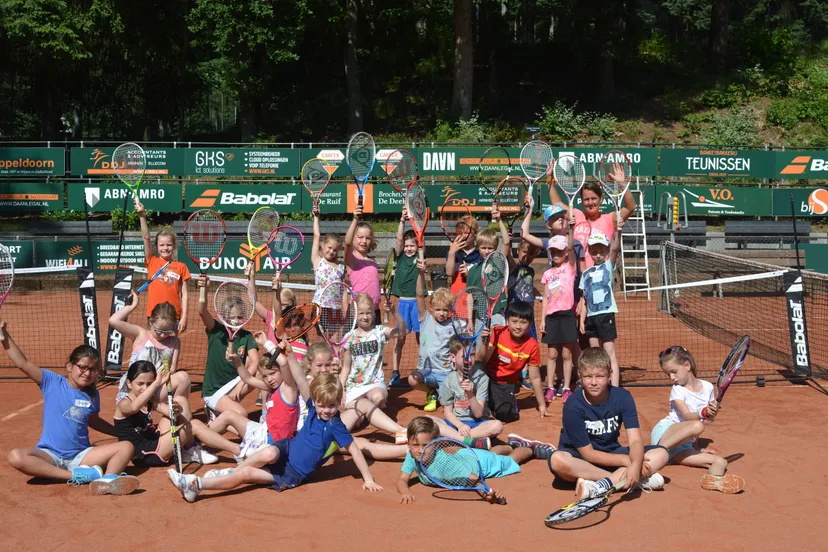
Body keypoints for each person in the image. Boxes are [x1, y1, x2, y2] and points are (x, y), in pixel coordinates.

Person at [167, 373, 384, 502]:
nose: (326, 410)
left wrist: (369, 479)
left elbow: (354, 449)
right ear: (314, 401)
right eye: (322, 405)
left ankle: (198, 484)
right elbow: (299, 377)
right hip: (286, 448)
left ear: (339, 403)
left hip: (292, 473)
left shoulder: (336, 426)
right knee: (268, 452)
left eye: (332, 405)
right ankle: (230, 472)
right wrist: (287, 354)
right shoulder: (312, 405)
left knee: (248, 475)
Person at [2, 323, 139, 495]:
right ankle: (74, 476)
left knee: (126, 446)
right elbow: (23, 362)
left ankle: (106, 481)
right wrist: (4, 336)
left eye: (92, 369)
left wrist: (118, 433)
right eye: (82, 367)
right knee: (16, 456)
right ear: (69, 367)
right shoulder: (51, 382)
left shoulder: (92, 394)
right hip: (50, 455)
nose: (87, 373)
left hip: (81, 455)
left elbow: (93, 421)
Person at [548, 347, 668, 500]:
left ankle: (601, 485)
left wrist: (635, 464)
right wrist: (629, 463)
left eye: (600, 376)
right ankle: (629, 481)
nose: (593, 382)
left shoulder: (623, 397)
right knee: (557, 460)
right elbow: (588, 453)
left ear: (610, 374)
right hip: (581, 460)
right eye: (588, 376)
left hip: (611, 454)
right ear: (579, 375)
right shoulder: (573, 405)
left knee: (662, 453)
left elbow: (636, 440)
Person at [651, 346, 746, 494]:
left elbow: (707, 419)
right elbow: (688, 417)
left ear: (687, 365)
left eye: (673, 372)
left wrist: (711, 414)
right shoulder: (677, 390)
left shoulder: (708, 387)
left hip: (680, 448)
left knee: (720, 461)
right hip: (665, 436)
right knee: (696, 426)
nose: (672, 378)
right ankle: (650, 456)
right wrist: (704, 412)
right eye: (668, 374)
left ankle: (715, 480)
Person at [396, 416, 554, 504]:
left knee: (511, 460)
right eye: (415, 445)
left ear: (436, 443)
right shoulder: (412, 455)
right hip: (469, 456)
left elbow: (474, 480)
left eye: (426, 445)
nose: (420, 450)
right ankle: (510, 444)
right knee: (492, 453)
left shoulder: (445, 465)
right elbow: (402, 479)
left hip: (481, 465)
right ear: (408, 444)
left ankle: (529, 448)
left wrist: (487, 494)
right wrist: (405, 492)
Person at [115, 360, 243, 467]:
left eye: (149, 383)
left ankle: (187, 447)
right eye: (140, 384)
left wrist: (171, 409)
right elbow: (133, 408)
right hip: (145, 453)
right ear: (129, 383)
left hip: (153, 438)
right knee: (194, 426)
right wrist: (155, 385)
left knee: (181, 401)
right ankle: (239, 451)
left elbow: (173, 414)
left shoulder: (149, 400)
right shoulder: (123, 404)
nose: (145, 388)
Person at [339, 293, 408, 445]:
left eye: (368, 313)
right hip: (354, 387)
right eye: (361, 313)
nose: (365, 317)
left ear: (373, 313)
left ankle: (367, 413)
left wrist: (394, 312)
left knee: (379, 398)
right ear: (355, 314)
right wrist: (341, 388)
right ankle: (366, 413)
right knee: (352, 425)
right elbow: (345, 368)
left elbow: (402, 332)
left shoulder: (380, 332)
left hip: (374, 384)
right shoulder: (349, 338)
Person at [196, 272, 260, 419]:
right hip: (213, 391)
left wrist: (240, 385)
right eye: (232, 317)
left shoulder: (247, 336)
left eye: (239, 317)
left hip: (233, 385)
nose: (236, 321)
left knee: (259, 370)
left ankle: (221, 410)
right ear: (224, 317)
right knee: (241, 415)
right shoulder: (216, 330)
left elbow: (255, 362)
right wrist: (203, 290)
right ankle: (215, 418)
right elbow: (202, 311)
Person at [546, 165, 635, 268]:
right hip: (577, 277)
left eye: (594, 198)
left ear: (600, 199)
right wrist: (549, 179)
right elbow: (556, 203)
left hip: (600, 278)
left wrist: (622, 184)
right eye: (586, 199)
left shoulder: (609, 219)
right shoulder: (577, 215)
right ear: (582, 201)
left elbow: (630, 207)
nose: (590, 203)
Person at [249, 264, 307, 405]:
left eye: (286, 305)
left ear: (293, 305)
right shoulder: (270, 316)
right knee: (261, 372)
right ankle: (264, 406)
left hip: (286, 364)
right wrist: (251, 277)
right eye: (280, 304)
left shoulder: (297, 325)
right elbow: (253, 301)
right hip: (273, 361)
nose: (282, 308)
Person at [479, 301, 545, 422]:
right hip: (486, 378)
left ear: (530, 325)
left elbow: (535, 377)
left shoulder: (532, 345)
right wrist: (484, 342)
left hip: (505, 383)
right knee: (475, 410)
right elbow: (482, 360)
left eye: (523, 322)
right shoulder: (497, 332)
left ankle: (500, 403)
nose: (518, 326)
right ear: (507, 320)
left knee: (505, 415)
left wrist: (542, 404)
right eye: (514, 321)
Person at [430, 336, 504, 444]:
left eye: (472, 355)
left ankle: (454, 438)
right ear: (453, 357)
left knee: (497, 426)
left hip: (477, 424)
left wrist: (470, 393)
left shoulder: (482, 378)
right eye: (464, 356)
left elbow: (478, 413)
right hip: (456, 424)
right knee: (428, 420)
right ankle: (468, 440)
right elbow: (448, 412)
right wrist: (459, 425)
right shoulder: (449, 380)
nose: (468, 360)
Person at [407, 251, 455, 412]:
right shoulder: (425, 318)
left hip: (446, 373)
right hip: (426, 371)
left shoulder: (454, 324)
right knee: (412, 379)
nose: (441, 313)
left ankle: (440, 395)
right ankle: (430, 393)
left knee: (445, 402)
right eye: (438, 309)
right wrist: (421, 273)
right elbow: (419, 294)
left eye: (445, 310)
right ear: (432, 308)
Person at [135, 197, 191, 333]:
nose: (165, 248)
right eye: (161, 245)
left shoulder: (181, 267)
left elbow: (184, 294)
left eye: (169, 245)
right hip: (154, 315)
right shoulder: (152, 261)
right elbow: (146, 237)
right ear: (156, 247)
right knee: (153, 349)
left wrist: (184, 317)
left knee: (170, 351)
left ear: (174, 246)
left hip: (174, 316)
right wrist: (142, 216)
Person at [539, 215, 578, 403]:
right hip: (552, 317)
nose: (556, 254)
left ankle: (567, 388)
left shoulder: (570, 268)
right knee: (552, 354)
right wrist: (542, 320)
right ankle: (551, 387)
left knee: (567, 354)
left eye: (559, 251)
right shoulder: (547, 274)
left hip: (567, 316)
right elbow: (545, 297)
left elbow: (571, 247)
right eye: (552, 251)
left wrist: (570, 229)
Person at [577, 229, 622, 387]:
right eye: (594, 251)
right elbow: (584, 300)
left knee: (609, 353)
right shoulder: (586, 274)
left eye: (601, 251)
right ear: (589, 251)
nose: (598, 255)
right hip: (591, 317)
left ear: (607, 251)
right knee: (595, 354)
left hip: (605, 315)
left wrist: (620, 231)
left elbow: (616, 248)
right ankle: (598, 385)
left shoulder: (608, 266)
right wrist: (582, 320)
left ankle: (614, 389)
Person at [389, 207, 420, 386]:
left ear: (417, 246)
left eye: (412, 245)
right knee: (399, 339)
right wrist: (402, 220)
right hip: (403, 303)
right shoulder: (400, 257)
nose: (409, 248)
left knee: (420, 339)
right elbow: (399, 239)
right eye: (407, 245)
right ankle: (395, 372)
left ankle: (422, 368)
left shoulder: (419, 257)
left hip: (418, 304)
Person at [344, 203, 382, 323]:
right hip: (358, 312)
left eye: (367, 238)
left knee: (376, 342)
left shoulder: (372, 262)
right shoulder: (352, 259)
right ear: (354, 238)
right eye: (360, 237)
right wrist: (355, 218)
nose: (364, 241)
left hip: (374, 311)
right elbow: (348, 243)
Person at [311, 203, 346, 321]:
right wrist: (316, 217)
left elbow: (344, 290)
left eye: (335, 250)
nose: (331, 251)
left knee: (335, 338)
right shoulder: (318, 261)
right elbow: (316, 235)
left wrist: (344, 310)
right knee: (319, 339)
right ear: (323, 245)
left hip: (335, 308)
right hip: (318, 307)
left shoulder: (341, 267)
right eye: (329, 248)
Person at [445, 215, 481, 296]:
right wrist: (452, 253)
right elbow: (449, 273)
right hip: (457, 295)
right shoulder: (453, 252)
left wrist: (469, 274)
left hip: (476, 296)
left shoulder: (480, 253)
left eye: (467, 233)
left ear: (475, 234)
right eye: (460, 233)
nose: (463, 236)